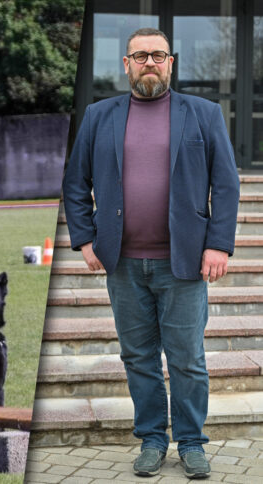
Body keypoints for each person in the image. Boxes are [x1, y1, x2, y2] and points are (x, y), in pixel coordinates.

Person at [63, 27, 239, 479]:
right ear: (126, 64)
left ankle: (193, 443)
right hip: (122, 262)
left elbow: (226, 183)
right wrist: (84, 239)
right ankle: (153, 440)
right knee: (138, 357)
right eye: (139, 55)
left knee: (186, 359)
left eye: (158, 56)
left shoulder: (202, 113)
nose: (149, 63)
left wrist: (218, 244)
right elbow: (74, 183)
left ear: (171, 63)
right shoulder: (99, 116)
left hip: (182, 263)